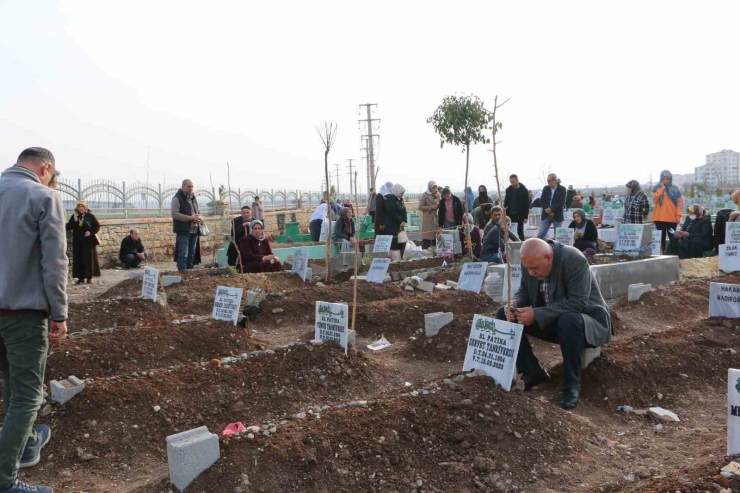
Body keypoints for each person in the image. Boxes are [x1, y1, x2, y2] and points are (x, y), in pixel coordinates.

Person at [0, 147, 68, 493]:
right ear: (45, 168)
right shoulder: (42, 196)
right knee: (27, 396)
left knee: (10, 379)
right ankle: (5, 481)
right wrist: (59, 313)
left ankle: (26, 443)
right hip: (23, 312)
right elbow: (54, 262)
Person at [495, 238, 612, 410]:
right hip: (555, 320)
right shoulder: (531, 262)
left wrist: (536, 314)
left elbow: (577, 303)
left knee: (569, 320)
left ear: (549, 257)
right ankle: (532, 371)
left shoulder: (574, 260)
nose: (532, 273)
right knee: (504, 314)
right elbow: (524, 293)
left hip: (587, 323)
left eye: (534, 269)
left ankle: (571, 386)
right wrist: (515, 304)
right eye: (528, 269)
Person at [66, 201, 101, 284]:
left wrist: (90, 232)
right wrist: (74, 220)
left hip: (88, 241)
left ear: (85, 207)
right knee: (79, 258)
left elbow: (97, 226)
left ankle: (89, 277)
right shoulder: (74, 216)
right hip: (78, 241)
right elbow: (68, 227)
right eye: (79, 206)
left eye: (82, 206)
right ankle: (80, 278)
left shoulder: (90, 216)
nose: (81, 208)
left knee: (88, 259)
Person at [171, 179, 203, 271]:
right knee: (183, 254)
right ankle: (182, 274)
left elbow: (198, 211)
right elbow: (175, 214)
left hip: (194, 230)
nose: (191, 188)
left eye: (192, 186)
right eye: (189, 186)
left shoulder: (193, 198)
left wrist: (198, 217)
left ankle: (189, 273)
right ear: (183, 187)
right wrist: (190, 218)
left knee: (191, 254)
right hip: (183, 230)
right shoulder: (177, 198)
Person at [651, 170, 684, 253]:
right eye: (663, 179)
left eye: (667, 179)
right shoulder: (656, 188)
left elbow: (680, 203)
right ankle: (661, 254)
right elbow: (655, 200)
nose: (665, 181)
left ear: (670, 179)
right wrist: (661, 189)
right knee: (660, 238)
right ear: (661, 179)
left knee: (673, 237)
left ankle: (674, 255)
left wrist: (678, 215)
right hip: (659, 218)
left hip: (671, 219)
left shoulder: (675, 189)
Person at [537, 174, 566, 239]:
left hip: (557, 215)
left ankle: (556, 248)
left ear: (555, 180)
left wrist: (551, 209)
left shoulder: (562, 189)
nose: (548, 183)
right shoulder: (546, 188)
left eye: (549, 181)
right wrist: (548, 211)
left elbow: (561, 202)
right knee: (540, 234)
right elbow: (542, 201)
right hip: (546, 214)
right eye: (547, 181)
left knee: (558, 236)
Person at [504, 174, 530, 239]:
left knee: (520, 231)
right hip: (509, 214)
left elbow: (526, 204)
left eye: (513, 182)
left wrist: (525, 216)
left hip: (520, 214)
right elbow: (506, 201)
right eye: (511, 182)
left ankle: (521, 244)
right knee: (509, 231)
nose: (512, 183)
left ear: (517, 180)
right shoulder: (508, 190)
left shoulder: (524, 190)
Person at [385, 184, 408, 257]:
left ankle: (400, 257)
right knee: (394, 243)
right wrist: (399, 222)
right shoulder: (390, 199)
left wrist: (404, 220)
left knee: (402, 242)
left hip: (400, 225)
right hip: (392, 225)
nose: (402, 195)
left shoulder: (401, 200)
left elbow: (404, 210)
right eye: (401, 193)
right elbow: (392, 212)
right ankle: (394, 259)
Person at [419, 181, 441, 249]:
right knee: (427, 236)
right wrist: (431, 207)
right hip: (427, 218)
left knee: (435, 235)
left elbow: (440, 203)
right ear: (430, 188)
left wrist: (438, 205)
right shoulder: (425, 195)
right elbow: (420, 207)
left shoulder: (438, 194)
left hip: (435, 217)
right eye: (433, 187)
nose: (434, 189)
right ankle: (425, 251)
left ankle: (434, 251)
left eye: (436, 187)